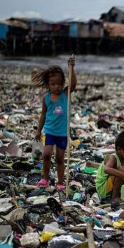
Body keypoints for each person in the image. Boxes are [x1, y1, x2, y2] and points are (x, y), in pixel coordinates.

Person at [34, 56, 76, 190]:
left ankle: (60, 182)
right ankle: (45, 179)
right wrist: (38, 131)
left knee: (59, 158)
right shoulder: (46, 98)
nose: (56, 87)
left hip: (62, 133)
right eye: (52, 84)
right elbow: (43, 115)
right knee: (46, 154)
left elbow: (74, 84)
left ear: (63, 82)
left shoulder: (65, 94)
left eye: (59, 84)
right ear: (48, 84)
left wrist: (72, 68)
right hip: (50, 131)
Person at [95, 131, 124, 202]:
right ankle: (115, 197)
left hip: (111, 187)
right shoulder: (112, 157)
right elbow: (106, 169)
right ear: (119, 149)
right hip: (103, 189)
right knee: (122, 170)